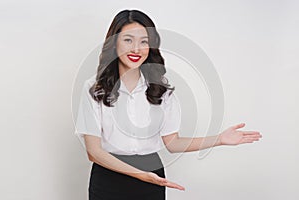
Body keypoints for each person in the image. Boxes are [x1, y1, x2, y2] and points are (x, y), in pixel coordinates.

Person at [74, 9, 262, 200]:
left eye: (144, 41)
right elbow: (94, 152)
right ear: (114, 43)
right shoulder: (94, 89)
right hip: (108, 179)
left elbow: (172, 142)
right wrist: (140, 174)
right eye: (128, 40)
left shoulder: (161, 90)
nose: (136, 49)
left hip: (152, 178)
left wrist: (219, 139)